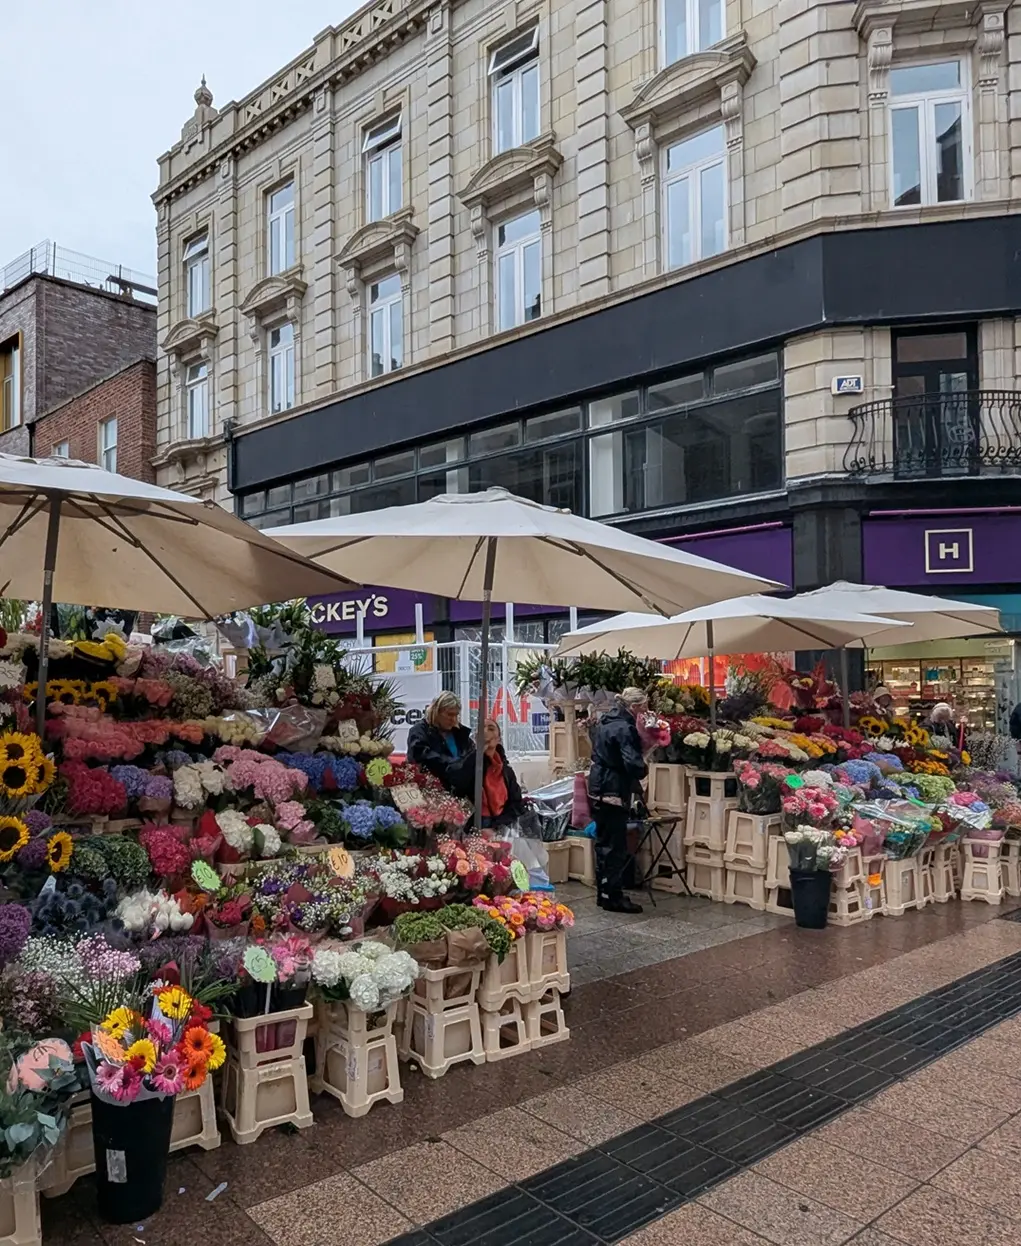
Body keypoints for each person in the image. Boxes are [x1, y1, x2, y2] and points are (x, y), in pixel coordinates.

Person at [588, 686, 649, 913]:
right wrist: (644, 766)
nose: (646, 710)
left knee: (603, 843)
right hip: (613, 788)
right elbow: (632, 763)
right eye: (644, 706)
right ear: (634, 706)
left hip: (598, 786)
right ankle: (614, 896)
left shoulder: (606, 721)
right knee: (615, 845)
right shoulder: (625, 728)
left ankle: (603, 892)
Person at [407, 692, 475, 798]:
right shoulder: (419, 731)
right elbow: (423, 756)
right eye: (449, 714)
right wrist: (455, 766)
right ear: (436, 712)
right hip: (431, 793)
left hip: (461, 793)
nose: (453, 719)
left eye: (456, 715)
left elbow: (471, 755)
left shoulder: (459, 733)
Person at [480, 720, 526, 830]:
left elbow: (516, 803)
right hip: (478, 826)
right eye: (482, 729)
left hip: (501, 826)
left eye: (491, 729)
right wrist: (478, 754)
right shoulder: (472, 764)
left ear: (498, 739)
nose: (486, 732)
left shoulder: (506, 771)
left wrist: (498, 826)